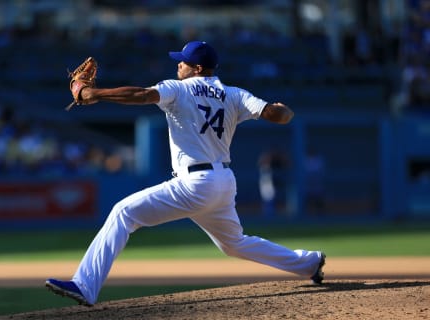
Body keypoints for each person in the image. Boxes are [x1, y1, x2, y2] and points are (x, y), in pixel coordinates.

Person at [45, 41, 326, 306]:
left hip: (195, 183)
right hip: (224, 181)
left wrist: (92, 94)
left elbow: (142, 95)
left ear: (198, 68)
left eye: (184, 62)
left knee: (123, 212)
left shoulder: (178, 89)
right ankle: (308, 263)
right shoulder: (234, 94)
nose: (178, 65)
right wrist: (284, 110)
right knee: (234, 244)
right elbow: (278, 115)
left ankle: (84, 285)